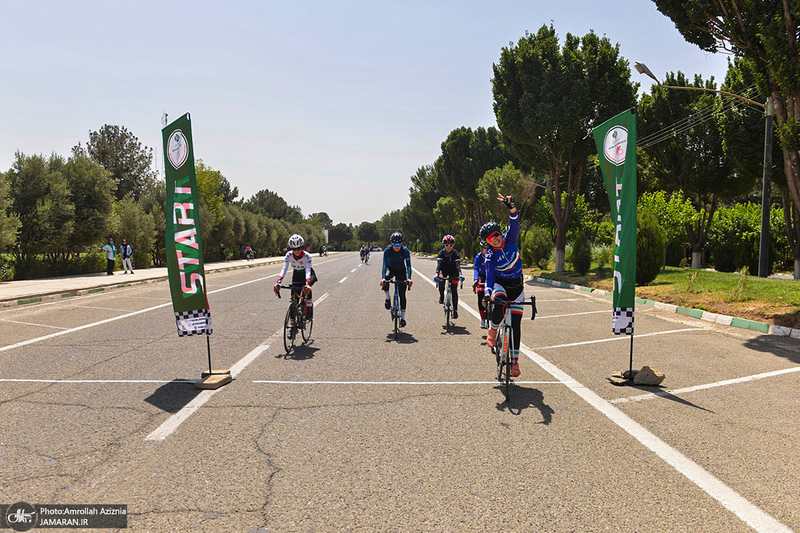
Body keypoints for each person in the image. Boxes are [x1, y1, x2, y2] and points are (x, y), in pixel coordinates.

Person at [481, 194, 525, 377]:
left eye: (496, 235)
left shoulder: (511, 239)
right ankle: (492, 331)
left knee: (516, 324)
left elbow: (514, 224)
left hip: (517, 286)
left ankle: (514, 362)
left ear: (500, 233)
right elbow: (490, 276)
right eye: (490, 239)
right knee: (499, 303)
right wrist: (487, 292)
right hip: (500, 284)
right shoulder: (490, 254)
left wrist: (511, 208)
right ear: (487, 242)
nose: (495, 239)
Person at [273, 234, 317, 330]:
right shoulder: (288, 255)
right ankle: (293, 325)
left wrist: (307, 284)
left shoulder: (307, 256)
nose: (297, 251)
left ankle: (309, 308)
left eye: (299, 248)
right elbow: (284, 268)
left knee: (307, 290)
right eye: (294, 249)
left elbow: (308, 270)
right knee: (294, 300)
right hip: (297, 274)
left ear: (302, 247)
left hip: (308, 274)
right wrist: (278, 281)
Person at [380, 232, 413, 327]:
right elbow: (384, 264)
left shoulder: (405, 251)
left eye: (399, 244)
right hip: (390, 269)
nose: (397, 247)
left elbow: (409, 266)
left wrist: (409, 278)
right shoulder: (387, 251)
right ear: (391, 244)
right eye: (395, 245)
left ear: (401, 243)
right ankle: (387, 298)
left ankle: (403, 318)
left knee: (402, 294)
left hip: (401, 270)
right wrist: (383, 278)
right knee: (386, 280)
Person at [434, 234, 463, 319]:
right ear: (444, 245)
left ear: (453, 245)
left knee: (454, 290)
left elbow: (458, 266)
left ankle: (455, 311)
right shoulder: (441, 253)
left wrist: (460, 274)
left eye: (451, 245)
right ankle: (442, 296)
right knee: (441, 281)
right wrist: (436, 274)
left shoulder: (455, 254)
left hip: (453, 271)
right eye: (447, 245)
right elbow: (439, 265)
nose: (449, 247)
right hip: (443, 270)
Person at [472, 240, 489, 328]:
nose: (486, 250)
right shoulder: (478, 257)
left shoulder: (493, 255)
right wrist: (475, 280)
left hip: (491, 276)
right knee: (480, 296)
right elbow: (476, 269)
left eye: (488, 249)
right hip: (481, 277)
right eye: (484, 249)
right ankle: (482, 318)